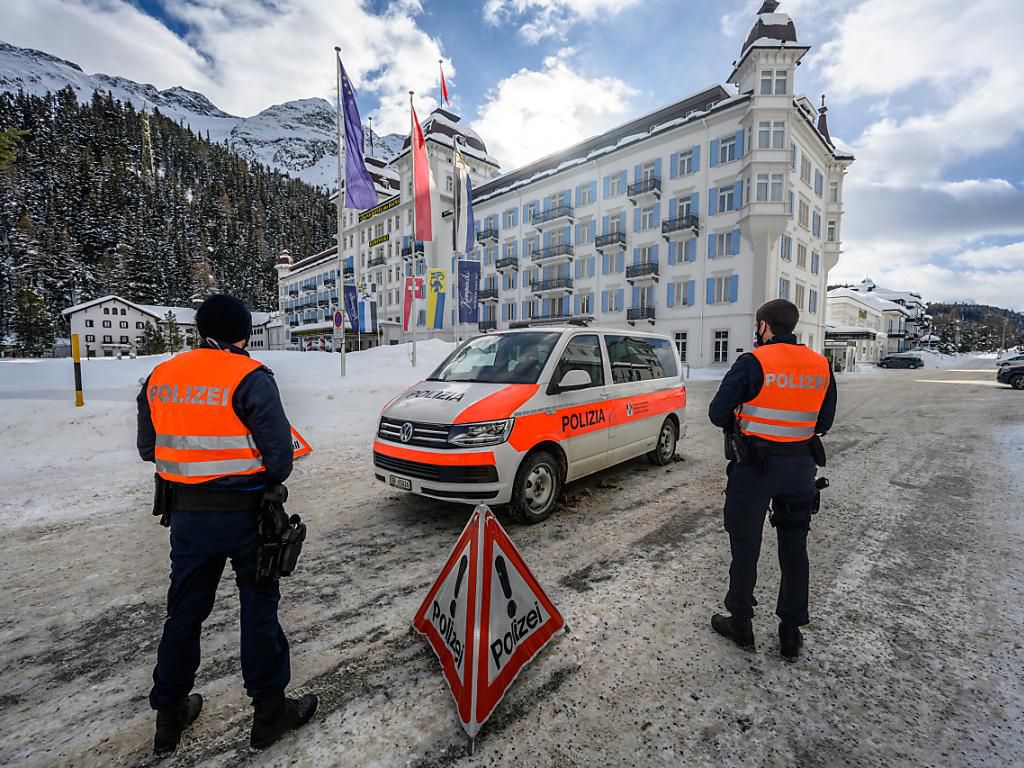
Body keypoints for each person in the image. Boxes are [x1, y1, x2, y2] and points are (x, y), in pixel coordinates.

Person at [137, 294, 317, 755]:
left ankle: (169, 717)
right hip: (247, 517)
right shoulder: (251, 377)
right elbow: (279, 460)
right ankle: (269, 713)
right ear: (244, 333)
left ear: (201, 331)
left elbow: (148, 448)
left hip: (187, 518)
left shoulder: (161, 375)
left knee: (184, 614)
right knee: (258, 610)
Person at [707, 299, 837, 661]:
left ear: (764, 326)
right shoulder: (820, 364)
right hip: (800, 469)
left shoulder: (753, 362)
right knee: (794, 549)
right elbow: (823, 423)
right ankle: (790, 632)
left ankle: (741, 623)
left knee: (745, 545)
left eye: (757, 324)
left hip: (755, 467)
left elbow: (717, 414)